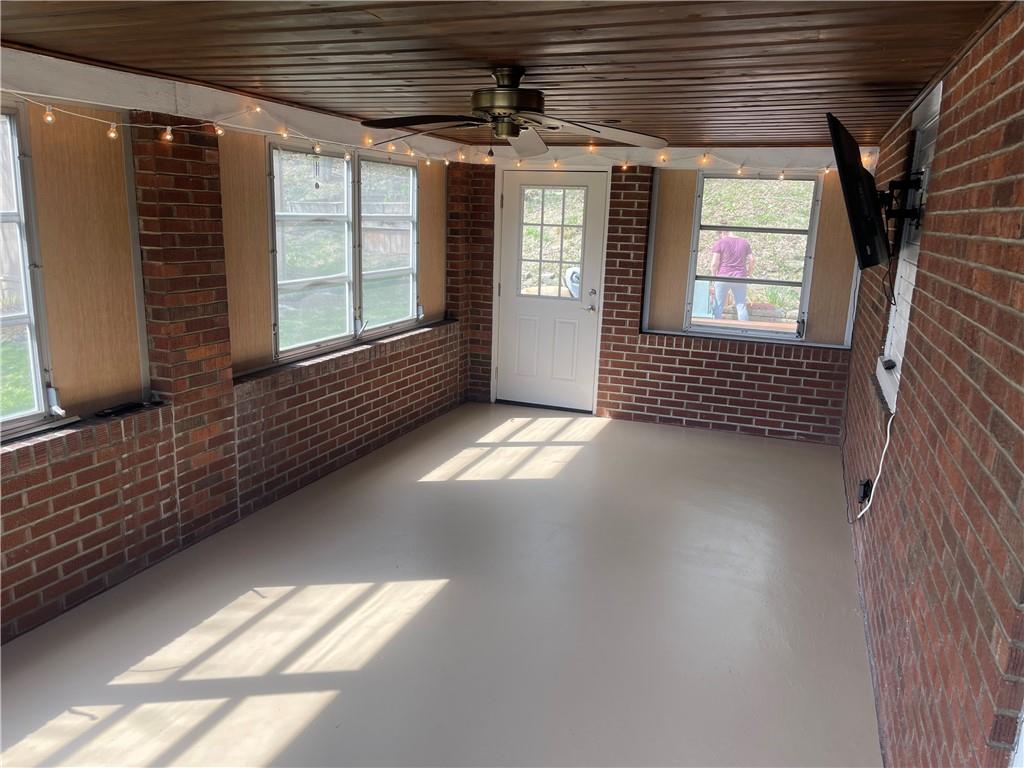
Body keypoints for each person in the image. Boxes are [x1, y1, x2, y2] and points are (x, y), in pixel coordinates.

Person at [710, 230, 754, 321]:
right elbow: (752, 259)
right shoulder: (744, 242)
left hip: (723, 276)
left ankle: (713, 329)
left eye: (719, 235)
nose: (720, 237)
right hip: (740, 277)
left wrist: (713, 277)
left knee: (718, 305)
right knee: (741, 304)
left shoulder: (720, 242)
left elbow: (714, 263)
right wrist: (749, 272)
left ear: (723, 232)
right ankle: (744, 331)